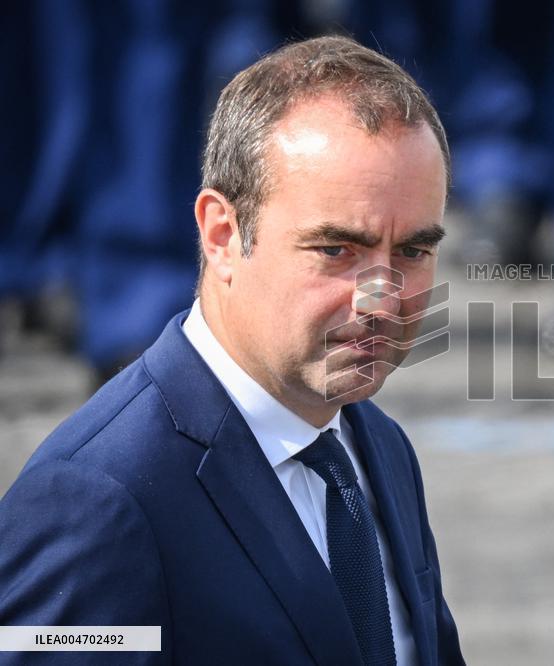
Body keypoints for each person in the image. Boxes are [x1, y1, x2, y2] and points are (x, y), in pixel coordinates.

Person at [0, 35, 464, 665]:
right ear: (222, 234)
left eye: (412, 251)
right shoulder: (98, 498)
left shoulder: (373, 447)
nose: (380, 300)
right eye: (337, 251)